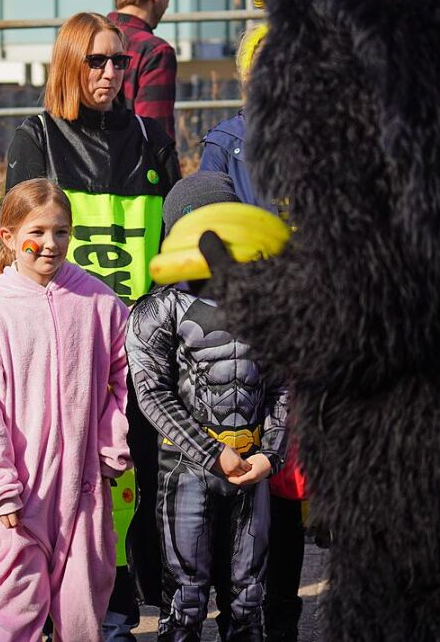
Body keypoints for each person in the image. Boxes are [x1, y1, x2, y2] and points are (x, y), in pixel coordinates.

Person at [6, 11, 180, 638]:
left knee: (127, 481)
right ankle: (54, 608)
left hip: (140, 342)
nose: (110, 73)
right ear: (69, 63)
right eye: (97, 61)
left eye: (119, 62)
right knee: (61, 481)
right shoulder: (37, 138)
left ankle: (116, 609)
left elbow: (173, 242)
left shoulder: (152, 137)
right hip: (66, 345)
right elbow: (21, 249)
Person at [125, 172, 290, 642]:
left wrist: (269, 456)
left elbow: (283, 386)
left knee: (248, 597)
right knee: (186, 598)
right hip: (186, 471)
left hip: (252, 468)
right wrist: (210, 452)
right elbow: (152, 395)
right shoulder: (157, 309)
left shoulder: (267, 307)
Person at [0, 179, 131, 642]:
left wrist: (110, 446)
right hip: (19, 496)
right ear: (9, 237)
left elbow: (122, 380)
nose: (50, 245)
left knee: (82, 615)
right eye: (38, 232)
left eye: (62, 232)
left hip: (84, 489)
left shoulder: (100, 302)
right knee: (18, 612)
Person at [198, 20, 305, 642]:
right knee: (246, 475)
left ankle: (283, 617)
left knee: (288, 478)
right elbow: (209, 222)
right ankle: (241, 612)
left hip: (310, 321)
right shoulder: (227, 143)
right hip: (248, 326)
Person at [107, 0, 178, 141]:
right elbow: (156, 134)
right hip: (130, 167)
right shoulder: (155, 52)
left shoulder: (84, 38)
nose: (168, 3)